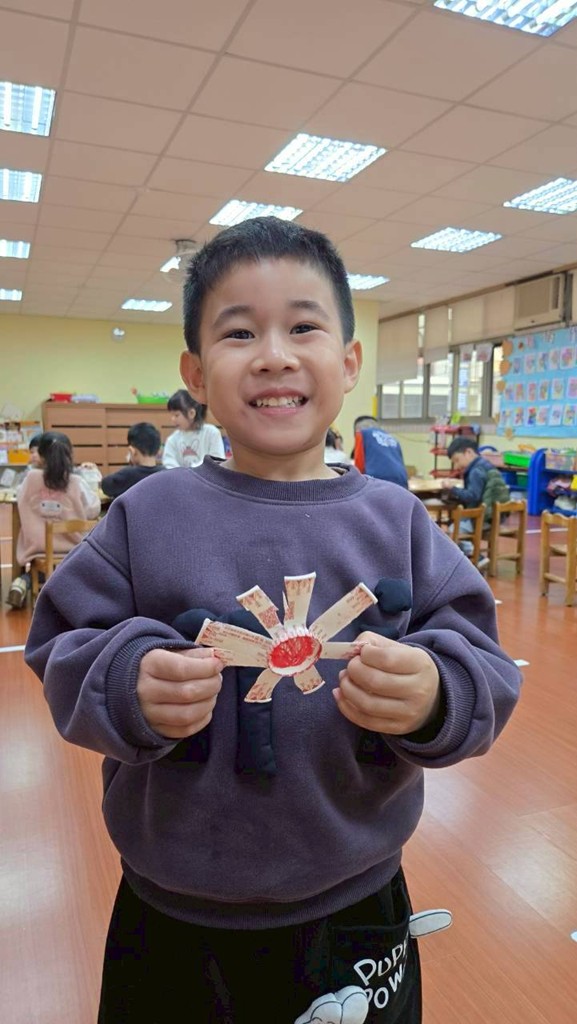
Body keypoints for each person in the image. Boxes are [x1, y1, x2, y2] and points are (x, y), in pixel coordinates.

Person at [25, 217, 521, 1024]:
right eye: (238, 332)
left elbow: (483, 663)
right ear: (195, 373)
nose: (273, 355)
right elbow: (60, 642)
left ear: (348, 363)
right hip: (172, 901)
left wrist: (438, 692)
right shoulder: (148, 515)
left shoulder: (396, 520)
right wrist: (125, 680)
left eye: (302, 327)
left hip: (355, 895)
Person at [7, 431, 100, 608]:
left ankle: (24, 581)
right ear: (69, 454)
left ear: (41, 455)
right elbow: (92, 509)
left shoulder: (30, 479)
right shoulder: (76, 481)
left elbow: (20, 500)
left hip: (37, 547)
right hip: (73, 548)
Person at [443, 438, 510, 563]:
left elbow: (472, 496)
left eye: (457, 460)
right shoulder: (486, 465)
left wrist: (452, 489)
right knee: (458, 522)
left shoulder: (475, 471)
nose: (457, 466)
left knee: (453, 530)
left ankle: (476, 556)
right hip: (494, 515)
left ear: (468, 452)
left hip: (482, 518)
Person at [162, 388, 225, 468]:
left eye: (176, 415)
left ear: (191, 413)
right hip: (180, 476)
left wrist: (192, 472)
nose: (173, 419)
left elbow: (217, 459)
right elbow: (168, 462)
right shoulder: (173, 439)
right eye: (172, 415)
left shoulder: (211, 433)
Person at [101, 422, 165, 499]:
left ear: (132, 451)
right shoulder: (165, 473)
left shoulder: (127, 474)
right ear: (158, 451)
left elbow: (105, 486)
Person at [353, 416, 408, 488]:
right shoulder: (393, 439)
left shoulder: (361, 433)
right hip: (401, 479)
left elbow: (359, 461)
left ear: (357, 429)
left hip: (377, 479)